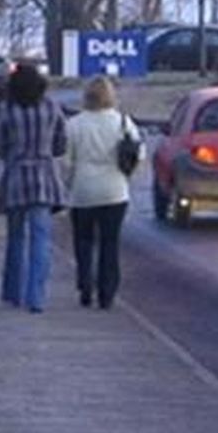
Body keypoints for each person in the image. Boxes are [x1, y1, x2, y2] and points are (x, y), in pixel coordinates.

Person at [62, 76, 144, 310]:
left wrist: (69, 185)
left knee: (83, 240)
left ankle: (85, 284)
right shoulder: (123, 123)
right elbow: (139, 154)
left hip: (83, 190)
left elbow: (66, 161)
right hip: (114, 191)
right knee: (110, 243)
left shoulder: (75, 124)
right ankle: (107, 292)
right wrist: (127, 176)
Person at [0, 63, 67, 313]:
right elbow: (61, 142)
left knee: (15, 237)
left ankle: (12, 292)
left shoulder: (6, 109)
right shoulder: (50, 106)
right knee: (41, 238)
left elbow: (1, 145)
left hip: (16, 175)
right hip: (45, 176)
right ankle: (36, 296)